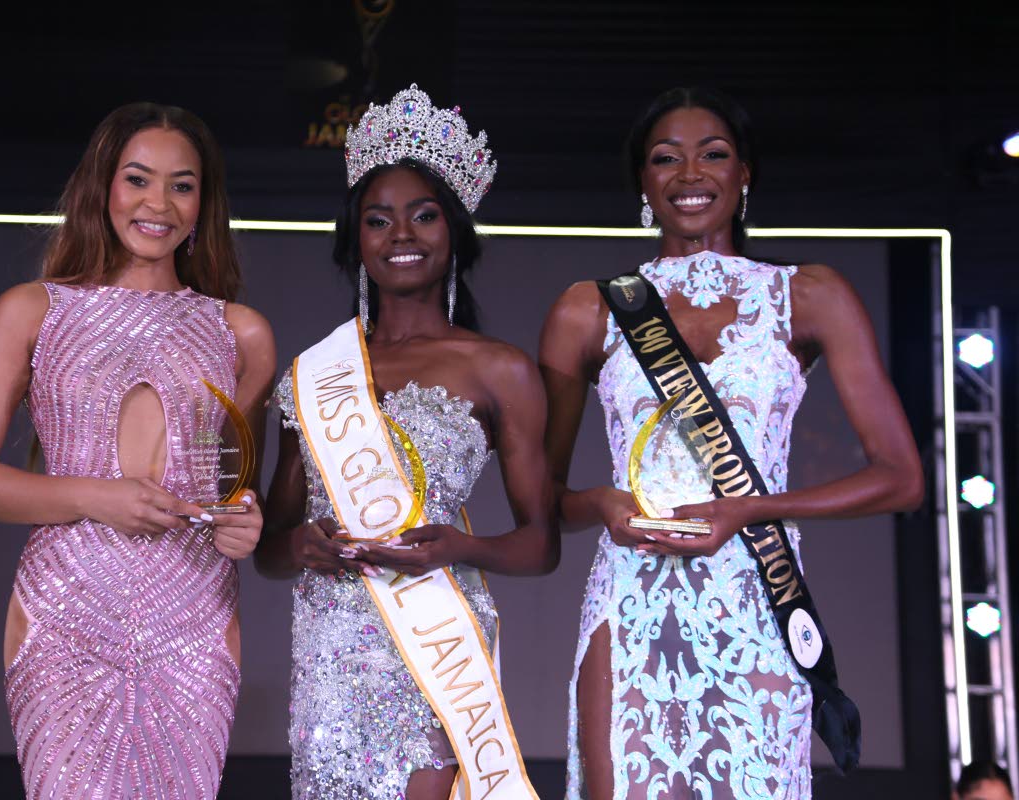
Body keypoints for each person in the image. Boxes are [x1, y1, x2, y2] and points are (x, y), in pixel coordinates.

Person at [538, 87, 925, 799]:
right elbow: (544, 500)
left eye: (712, 155)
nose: (690, 174)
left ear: (745, 174)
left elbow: (902, 477)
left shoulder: (806, 295)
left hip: (753, 590)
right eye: (666, 159)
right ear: (643, 184)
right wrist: (601, 502)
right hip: (630, 596)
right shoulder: (586, 308)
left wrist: (747, 511)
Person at [0, 103, 276, 799]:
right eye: (138, 179)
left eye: (182, 185)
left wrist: (243, 523)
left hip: (195, 616)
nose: (159, 203)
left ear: (204, 203)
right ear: (102, 186)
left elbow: (232, 488)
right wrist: (98, 496)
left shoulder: (241, 334)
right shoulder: (32, 310)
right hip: (67, 610)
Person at [258, 84, 557, 800]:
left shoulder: (501, 369)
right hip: (331, 643)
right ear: (355, 239)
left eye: (423, 216)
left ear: (452, 230)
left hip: (436, 640)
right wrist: (299, 546)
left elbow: (540, 545)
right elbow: (270, 546)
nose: (401, 235)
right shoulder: (311, 374)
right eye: (379, 219)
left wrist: (460, 547)